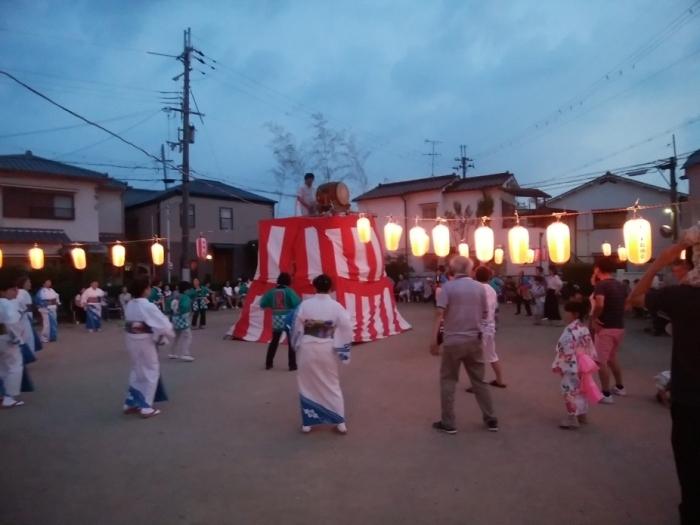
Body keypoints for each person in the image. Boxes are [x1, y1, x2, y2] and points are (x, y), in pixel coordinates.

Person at [628, 237, 700, 525]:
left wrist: (660, 261)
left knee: (691, 467)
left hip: (689, 399)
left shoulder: (681, 297)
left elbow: (635, 298)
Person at [430, 256, 498, 434]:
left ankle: (448, 422)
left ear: (453, 269)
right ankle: (491, 418)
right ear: (470, 269)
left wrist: (434, 340)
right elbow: (485, 314)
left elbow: (439, 314)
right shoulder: (480, 288)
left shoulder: (448, 287)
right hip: (474, 340)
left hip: (453, 340)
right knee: (479, 381)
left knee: (448, 380)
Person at [290, 274, 353, 434]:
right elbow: (346, 327)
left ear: (314, 287)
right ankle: (339, 421)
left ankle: (308, 423)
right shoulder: (337, 307)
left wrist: (296, 343)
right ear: (331, 288)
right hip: (327, 348)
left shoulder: (305, 305)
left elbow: (296, 325)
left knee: (307, 383)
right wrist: (341, 347)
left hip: (307, 347)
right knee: (332, 382)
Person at [123, 275, 174, 419]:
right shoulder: (147, 305)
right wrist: (167, 332)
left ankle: (131, 402)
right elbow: (163, 324)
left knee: (137, 369)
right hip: (144, 340)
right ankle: (145, 406)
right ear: (145, 290)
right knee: (151, 369)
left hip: (131, 339)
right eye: (148, 287)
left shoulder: (130, 304)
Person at [552, 300, 602, 429]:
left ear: (575, 314)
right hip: (583, 363)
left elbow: (564, 348)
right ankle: (582, 415)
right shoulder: (583, 327)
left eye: (566, 312)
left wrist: (560, 364)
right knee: (581, 390)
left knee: (569, 391)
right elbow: (590, 346)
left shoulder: (570, 330)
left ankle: (572, 417)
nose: (564, 315)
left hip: (571, 365)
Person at [590, 257, 627, 404]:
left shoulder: (602, 286)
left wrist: (594, 318)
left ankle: (605, 393)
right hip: (619, 326)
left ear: (598, 269)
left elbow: (599, 304)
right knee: (612, 357)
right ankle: (619, 386)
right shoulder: (619, 285)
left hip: (605, 327)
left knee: (601, 361)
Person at [260, 273, 302, 371]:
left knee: (274, 341)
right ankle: (292, 365)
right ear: (288, 281)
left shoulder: (271, 292)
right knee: (291, 342)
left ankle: (268, 363)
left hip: (276, 319)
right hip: (288, 319)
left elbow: (262, 304)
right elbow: (297, 304)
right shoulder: (289, 291)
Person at [474, 266, 506, 388]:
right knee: (492, 354)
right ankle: (499, 380)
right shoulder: (492, 290)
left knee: (477, 356)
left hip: (480, 326)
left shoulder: (477, 289)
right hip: (490, 325)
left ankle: (478, 384)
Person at [0, 279, 25, 408]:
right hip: (5, 338)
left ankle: (2, 394)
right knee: (14, 365)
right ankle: (8, 396)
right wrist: (17, 338)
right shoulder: (6, 304)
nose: (16, 292)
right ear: (5, 291)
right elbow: (12, 322)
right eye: (14, 289)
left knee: (2, 367)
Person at [14, 276, 40, 358]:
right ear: (23, 283)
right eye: (28, 282)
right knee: (27, 338)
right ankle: (26, 357)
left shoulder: (20, 292)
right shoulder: (23, 292)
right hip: (24, 319)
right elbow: (26, 307)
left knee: (25, 337)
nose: (30, 284)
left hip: (22, 318)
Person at [169, 281, 193, 362]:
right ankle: (185, 354)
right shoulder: (186, 297)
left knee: (176, 336)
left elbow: (169, 305)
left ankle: (172, 352)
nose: (189, 291)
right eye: (189, 289)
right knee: (187, 336)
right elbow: (185, 307)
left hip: (174, 318)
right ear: (186, 290)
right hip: (182, 318)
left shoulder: (175, 297)